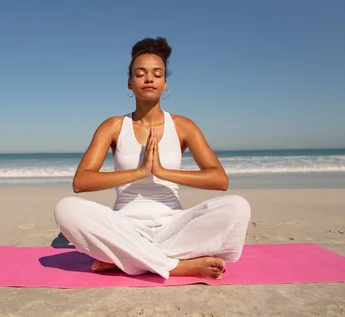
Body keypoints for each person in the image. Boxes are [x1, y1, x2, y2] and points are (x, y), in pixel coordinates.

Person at [54, 37, 251, 280]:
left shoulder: (183, 126)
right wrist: (140, 172)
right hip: (125, 227)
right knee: (66, 209)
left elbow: (219, 180)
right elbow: (81, 182)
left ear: (165, 83)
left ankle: (127, 259)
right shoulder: (113, 126)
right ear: (129, 83)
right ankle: (175, 266)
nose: (149, 79)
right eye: (140, 73)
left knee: (237, 206)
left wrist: (161, 172)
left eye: (157, 74)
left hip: (174, 226)